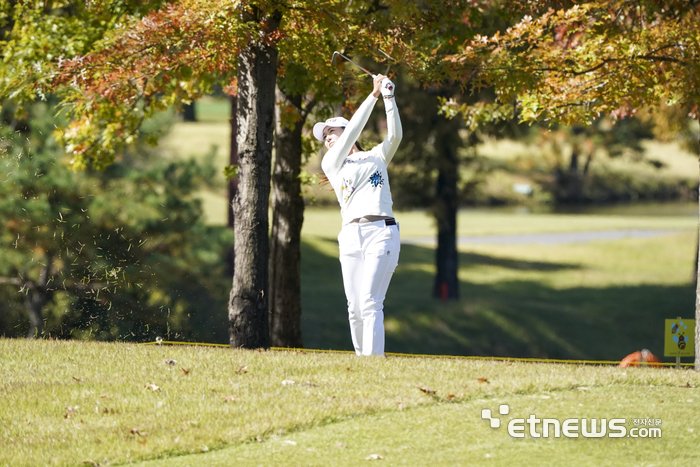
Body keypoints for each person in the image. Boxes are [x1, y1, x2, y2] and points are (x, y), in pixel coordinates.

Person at [313, 74, 402, 356]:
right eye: (324, 136)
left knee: (370, 302)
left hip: (381, 232)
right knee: (354, 308)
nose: (327, 138)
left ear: (347, 130)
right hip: (351, 235)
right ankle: (361, 361)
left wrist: (387, 97)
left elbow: (395, 136)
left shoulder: (376, 156)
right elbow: (352, 133)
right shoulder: (332, 163)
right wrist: (372, 95)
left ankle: (373, 364)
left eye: (332, 132)